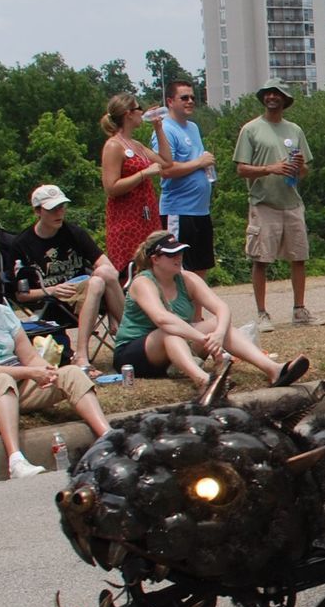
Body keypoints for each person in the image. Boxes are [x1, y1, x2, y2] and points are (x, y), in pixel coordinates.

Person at [0, 257, 112, 480]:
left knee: (71, 373)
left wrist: (46, 371)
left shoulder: (3, 312)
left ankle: (109, 439)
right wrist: (29, 373)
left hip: (11, 387)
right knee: (2, 380)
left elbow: (29, 357)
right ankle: (16, 461)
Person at [112, 230, 310, 390]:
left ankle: (274, 370)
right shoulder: (143, 282)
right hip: (135, 354)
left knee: (217, 323)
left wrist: (219, 334)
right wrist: (205, 340)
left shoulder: (187, 279)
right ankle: (205, 382)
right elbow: (163, 319)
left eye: (180, 252)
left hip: (179, 347)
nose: (178, 257)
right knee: (169, 333)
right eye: (171, 254)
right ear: (155, 259)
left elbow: (221, 308)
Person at [3, 184, 122, 360]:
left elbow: (108, 268)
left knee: (102, 274)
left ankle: (125, 332)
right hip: (51, 301)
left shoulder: (74, 233)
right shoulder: (22, 245)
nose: (59, 213)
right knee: (98, 281)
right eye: (52, 209)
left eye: (61, 206)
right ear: (37, 211)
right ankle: (85, 353)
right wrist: (51, 290)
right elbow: (21, 296)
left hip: (85, 290)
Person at [234, 82, 315, 326]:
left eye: (277, 94)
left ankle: (299, 311)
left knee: (298, 257)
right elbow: (241, 169)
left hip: (292, 203)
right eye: (268, 93)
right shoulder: (251, 129)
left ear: (285, 99)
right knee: (261, 260)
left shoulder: (294, 130)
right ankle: (262, 314)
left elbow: (305, 170)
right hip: (263, 204)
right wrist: (271, 168)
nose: (272, 97)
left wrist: (299, 167)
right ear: (263, 98)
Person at [99, 91, 165, 286]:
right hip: (126, 221)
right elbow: (111, 187)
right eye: (139, 108)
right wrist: (143, 174)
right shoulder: (114, 145)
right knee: (131, 273)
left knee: (154, 267)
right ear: (128, 113)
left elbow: (166, 162)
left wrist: (158, 129)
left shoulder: (136, 145)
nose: (142, 112)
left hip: (147, 217)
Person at [151, 78, 217, 272]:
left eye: (192, 98)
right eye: (184, 98)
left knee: (201, 267)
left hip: (201, 211)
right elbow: (165, 169)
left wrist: (204, 163)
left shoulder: (193, 127)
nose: (190, 101)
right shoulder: (165, 129)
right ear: (170, 101)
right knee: (177, 269)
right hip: (179, 211)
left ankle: (198, 295)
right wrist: (199, 163)